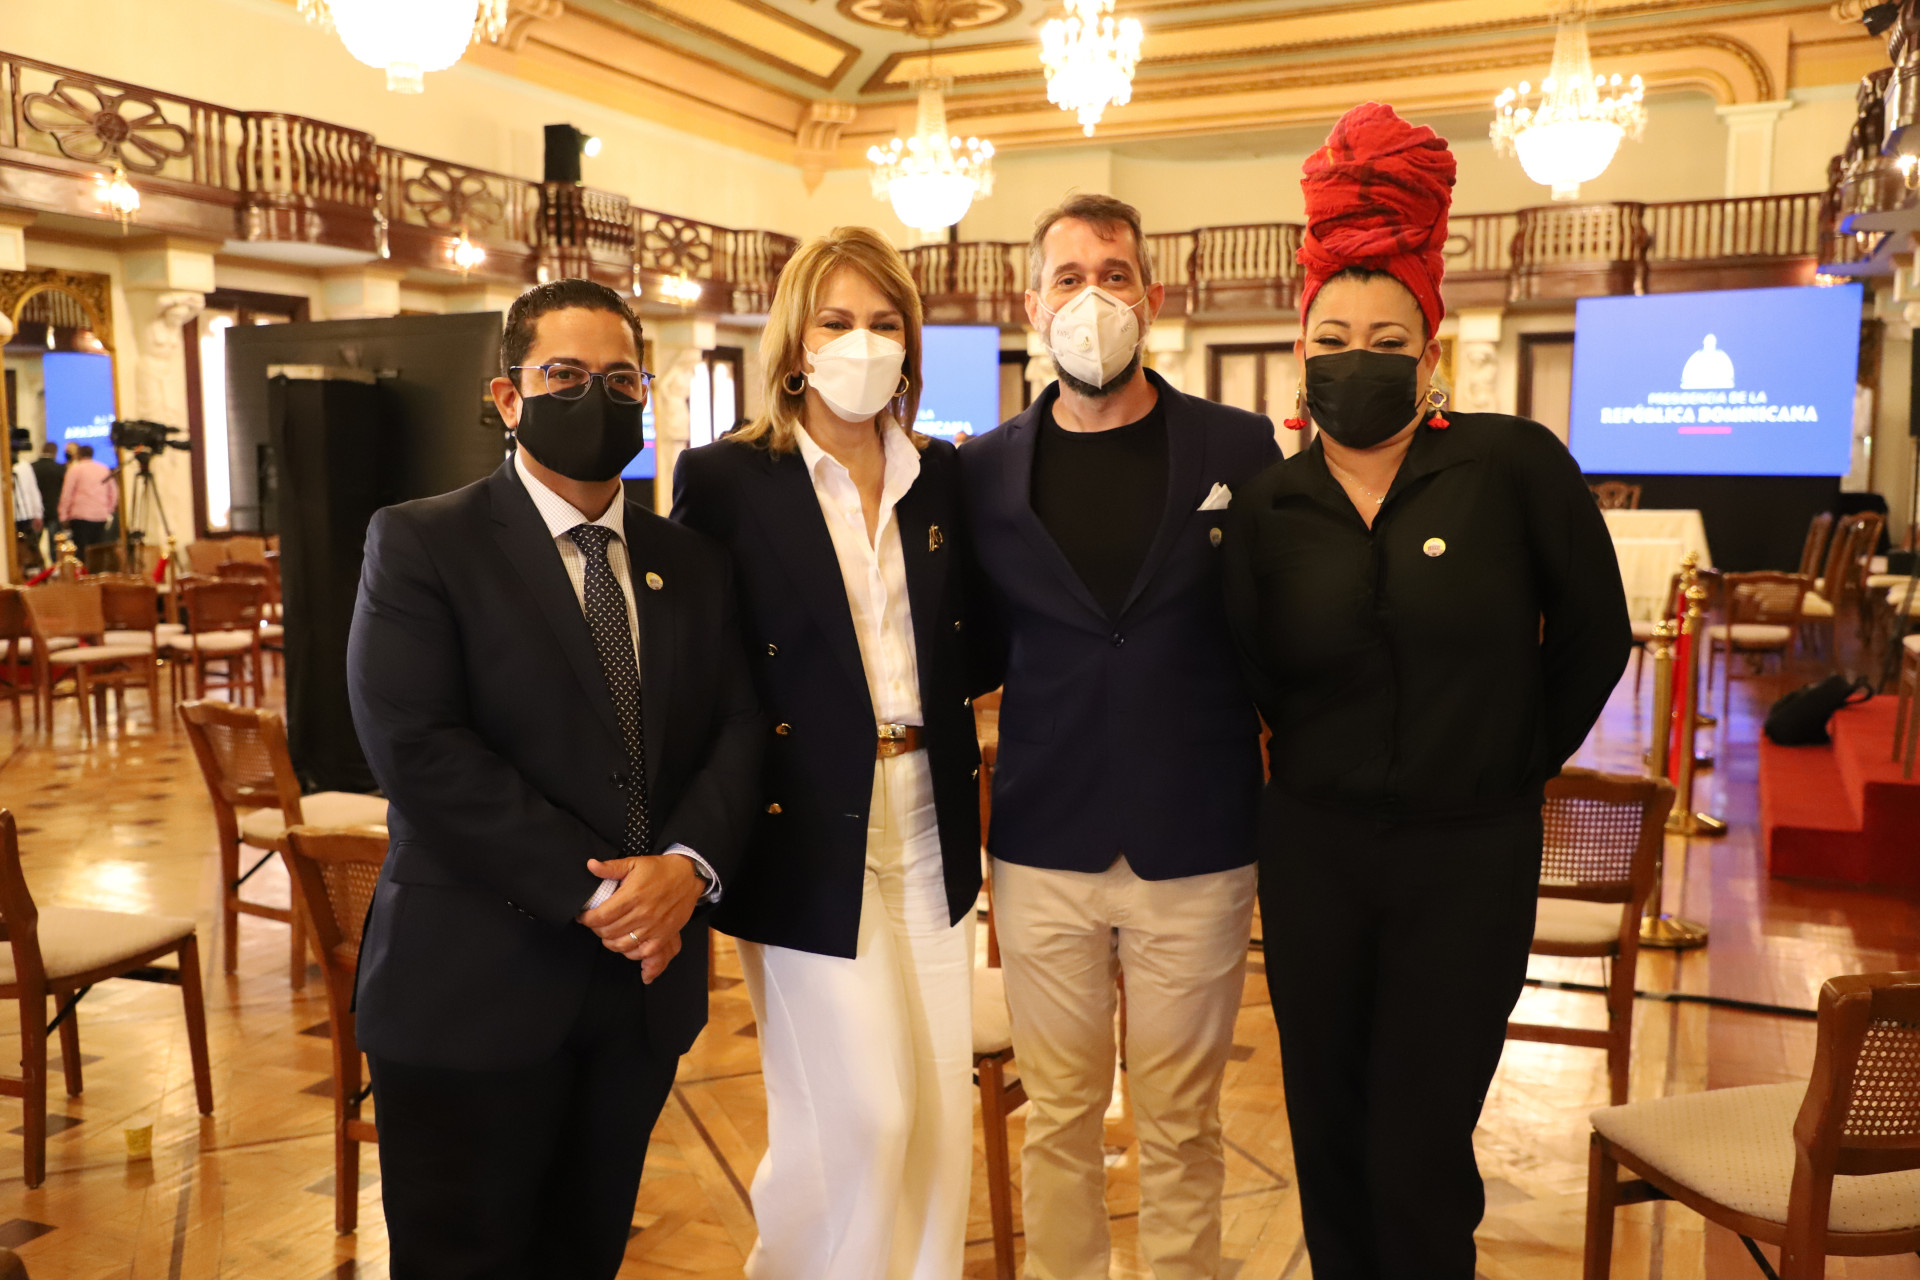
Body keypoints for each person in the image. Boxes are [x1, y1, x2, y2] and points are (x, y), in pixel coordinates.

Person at [1220, 103, 1631, 1280]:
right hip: (1314, 850)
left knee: (1419, 1139)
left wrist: (1511, 760)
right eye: (1334, 334)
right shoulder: (1270, 504)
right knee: (1325, 1118)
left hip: (1469, 854)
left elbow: (1595, 634)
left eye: (1386, 335)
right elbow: (1251, 664)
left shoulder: (1511, 465)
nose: (1358, 354)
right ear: (1301, 350)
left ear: (1430, 351)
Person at [346, 278, 764, 1280]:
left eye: (620, 380)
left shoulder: (690, 561)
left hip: (637, 995)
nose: (596, 397)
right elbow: (418, 747)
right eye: (565, 376)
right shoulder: (422, 540)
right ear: (508, 396)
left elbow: (741, 726)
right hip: (472, 984)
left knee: (586, 1254)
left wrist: (687, 866)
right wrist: (608, 895)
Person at [958, 193, 1279, 1280]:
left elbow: (1276, 625)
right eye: (1068, 276)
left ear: (1152, 296)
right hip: (1043, 839)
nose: (1091, 295)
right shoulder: (984, 470)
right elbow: (973, 641)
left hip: (1198, 838)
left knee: (1182, 1123)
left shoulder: (1236, 446)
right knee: (1058, 1116)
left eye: (1113, 274)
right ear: (1030, 304)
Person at [671, 227, 981, 1280]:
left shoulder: (941, 475)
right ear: (795, 343)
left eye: (886, 323)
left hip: (930, 813)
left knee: (937, 1112)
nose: (864, 341)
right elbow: (700, 668)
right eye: (838, 320)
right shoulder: (726, 477)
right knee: (863, 1113)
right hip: (801, 822)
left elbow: (971, 638)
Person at [58, 444, 115, 555]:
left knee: (82, 550)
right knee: (98, 550)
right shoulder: (103, 469)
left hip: (80, 516)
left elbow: (67, 494)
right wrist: (109, 510)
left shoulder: (75, 469)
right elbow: (113, 492)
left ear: (78, 454)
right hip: (100, 515)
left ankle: (84, 566)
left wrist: (63, 515)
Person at [31, 440, 64, 563]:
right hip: (54, 509)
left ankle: (36, 565)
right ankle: (55, 565)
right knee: (55, 543)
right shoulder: (60, 468)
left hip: (35, 510)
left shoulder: (32, 467)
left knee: (34, 544)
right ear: (55, 452)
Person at [11, 444, 43, 569]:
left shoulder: (24, 466)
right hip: (14, 515)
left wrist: (37, 513)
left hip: (24, 513)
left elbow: (33, 490)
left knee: (29, 548)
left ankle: (31, 569)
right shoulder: (24, 466)